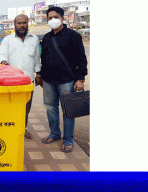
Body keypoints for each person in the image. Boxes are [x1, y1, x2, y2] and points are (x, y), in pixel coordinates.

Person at [40, 7, 88, 153]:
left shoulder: (73, 36)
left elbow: (82, 59)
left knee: (68, 111)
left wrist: (80, 79)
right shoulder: (46, 37)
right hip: (48, 80)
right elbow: (44, 59)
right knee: (51, 109)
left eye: (55, 17)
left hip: (67, 80)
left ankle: (68, 139)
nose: (52, 20)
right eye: (49, 18)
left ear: (62, 18)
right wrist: (41, 75)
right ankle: (55, 133)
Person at [0, 14, 42, 139]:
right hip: (11, 81)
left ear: (27, 24)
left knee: (26, 106)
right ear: (14, 24)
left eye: (24, 23)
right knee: (10, 106)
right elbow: (1, 54)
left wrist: (38, 73)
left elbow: (36, 58)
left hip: (28, 80)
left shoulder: (34, 39)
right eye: (19, 23)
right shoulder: (8, 40)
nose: (22, 25)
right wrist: (3, 61)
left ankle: (23, 128)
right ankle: (9, 128)